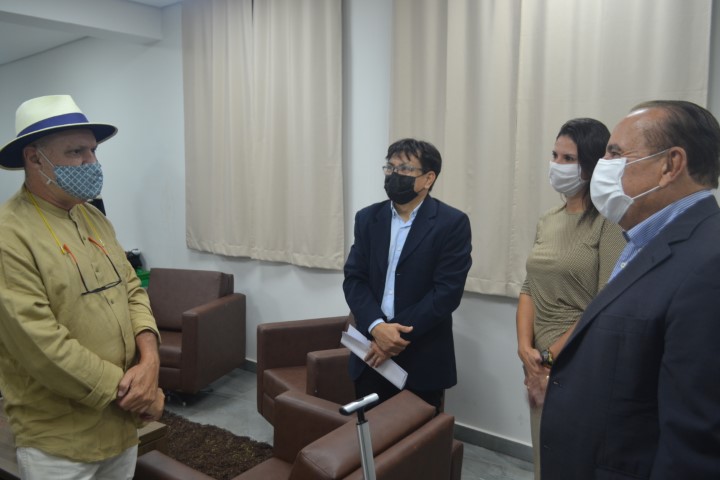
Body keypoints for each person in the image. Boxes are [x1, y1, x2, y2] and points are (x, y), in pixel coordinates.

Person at [540, 100, 720, 478]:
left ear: (670, 165)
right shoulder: (644, 239)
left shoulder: (709, 263)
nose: (602, 165)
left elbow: (694, 442)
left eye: (615, 153)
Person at [0, 95, 164, 479]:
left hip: (121, 426)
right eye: (76, 152)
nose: (92, 162)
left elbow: (131, 289)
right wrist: (138, 394)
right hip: (59, 440)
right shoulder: (9, 235)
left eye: (93, 150)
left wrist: (150, 361)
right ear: (34, 159)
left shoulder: (93, 216)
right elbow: (41, 346)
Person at [516, 118, 626, 478]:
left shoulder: (609, 222)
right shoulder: (548, 220)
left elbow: (605, 301)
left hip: (578, 358)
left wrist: (549, 358)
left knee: (572, 460)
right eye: (555, 156)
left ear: (591, 166)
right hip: (537, 360)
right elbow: (529, 287)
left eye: (569, 159)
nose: (557, 165)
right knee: (543, 454)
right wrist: (526, 350)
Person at [343, 138, 472, 412]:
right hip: (370, 355)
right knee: (368, 433)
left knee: (418, 437)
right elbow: (354, 279)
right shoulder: (367, 218)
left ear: (428, 178)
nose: (394, 175)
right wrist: (377, 328)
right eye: (390, 167)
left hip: (421, 357)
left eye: (404, 169)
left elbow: (446, 293)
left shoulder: (452, 223)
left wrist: (392, 338)